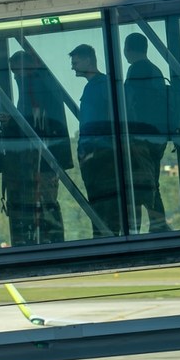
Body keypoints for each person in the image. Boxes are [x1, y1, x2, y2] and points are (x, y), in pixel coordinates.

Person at [4, 49, 70, 246]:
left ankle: (48, 240)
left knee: (44, 201)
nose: (16, 76)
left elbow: (34, 122)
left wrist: (13, 122)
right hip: (47, 155)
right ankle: (51, 239)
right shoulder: (42, 83)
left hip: (40, 157)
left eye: (17, 71)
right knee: (46, 201)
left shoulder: (34, 85)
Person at [122, 33, 172, 232]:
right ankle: (156, 225)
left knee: (141, 185)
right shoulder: (156, 71)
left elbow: (130, 103)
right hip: (157, 137)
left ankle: (154, 226)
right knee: (152, 181)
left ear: (127, 49)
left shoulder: (136, 71)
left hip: (140, 137)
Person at [71, 44, 119, 237]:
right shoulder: (99, 85)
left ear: (88, 60)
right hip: (98, 153)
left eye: (75, 62)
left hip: (98, 156)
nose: (72, 67)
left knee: (102, 201)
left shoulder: (99, 86)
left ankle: (104, 237)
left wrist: (88, 152)